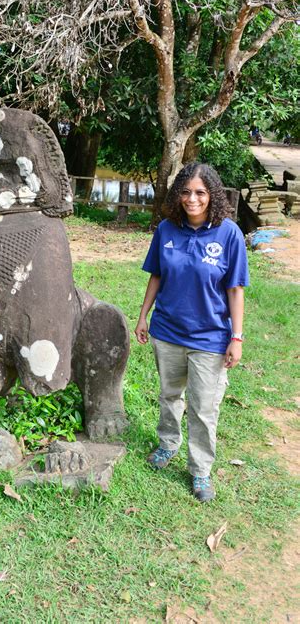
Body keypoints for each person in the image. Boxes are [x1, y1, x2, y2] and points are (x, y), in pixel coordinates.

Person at [135, 163, 249, 502]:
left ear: (212, 194)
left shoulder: (229, 234)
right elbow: (156, 276)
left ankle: (200, 470)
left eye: (200, 192)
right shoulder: (167, 229)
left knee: (202, 407)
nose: (192, 199)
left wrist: (237, 337)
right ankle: (168, 444)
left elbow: (235, 290)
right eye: (185, 192)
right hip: (167, 331)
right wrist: (143, 316)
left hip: (210, 338)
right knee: (170, 395)